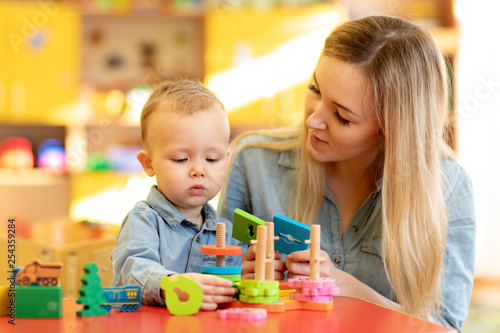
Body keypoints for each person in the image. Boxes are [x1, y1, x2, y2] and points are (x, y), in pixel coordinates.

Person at [218, 16, 475, 331]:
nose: (313, 120)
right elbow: (212, 296)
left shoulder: (448, 188)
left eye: (341, 116)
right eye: (315, 89)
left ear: (389, 129)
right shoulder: (253, 163)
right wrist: (240, 284)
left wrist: (346, 289)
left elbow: (445, 327)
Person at [112, 79, 246, 310]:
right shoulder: (143, 220)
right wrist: (172, 284)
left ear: (227, 160)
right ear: (148, 163)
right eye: (181, 159)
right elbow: (132, 271)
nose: (198, 170)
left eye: (212, 159)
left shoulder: (229, 234)